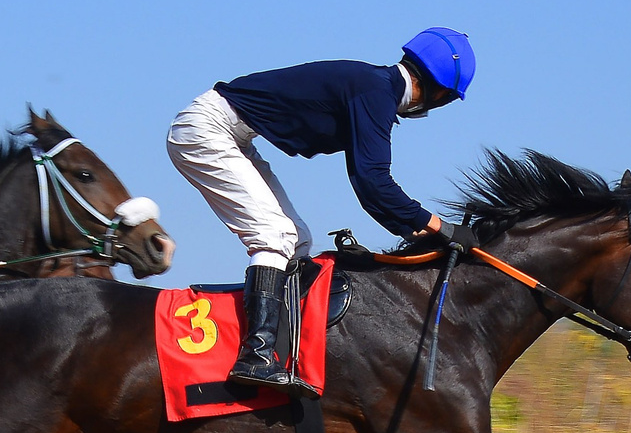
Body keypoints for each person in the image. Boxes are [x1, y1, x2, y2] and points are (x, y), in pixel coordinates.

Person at [165, 29, 476, 391]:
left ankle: (283, 349)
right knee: (273, 235)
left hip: (232, 135)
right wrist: (441, 227)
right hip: (205, 130)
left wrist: (419, 232)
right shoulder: (376, 92)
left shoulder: (375, 87)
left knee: (298, 239)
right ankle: (256, 356)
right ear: (439, 94)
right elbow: (373, 181)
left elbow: (369, 186)